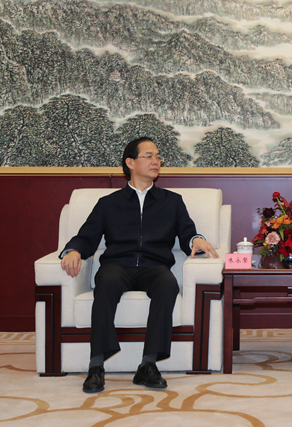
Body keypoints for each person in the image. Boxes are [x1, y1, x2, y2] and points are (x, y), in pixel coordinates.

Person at [60, 137, 219, 394]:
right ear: (131, 163)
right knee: (106, 283)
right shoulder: (108, 203)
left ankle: (148, 364)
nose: (156, 161)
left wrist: (197, 240)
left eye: (158, 157)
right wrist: (74, 250)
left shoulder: (172, 201)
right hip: (117, 266)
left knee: (168, 283)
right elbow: (87, 236)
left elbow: (187, 233)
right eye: (149, 156)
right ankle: (96, 366)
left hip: (154, 267)